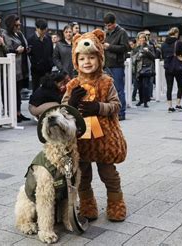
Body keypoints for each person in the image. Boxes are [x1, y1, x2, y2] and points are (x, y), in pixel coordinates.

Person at [62, 29, 127, 222]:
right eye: (82, 59)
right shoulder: (72, 85)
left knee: (109, 174)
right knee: (82, 176)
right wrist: (71, 103)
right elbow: (63, 110)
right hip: (80, 140)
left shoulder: (107, 82)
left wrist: (98, 107)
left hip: (104, 139)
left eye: (92, 57)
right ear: (76, 62)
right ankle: (87, 206)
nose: (87, 62)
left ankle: (116, 205)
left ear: (100, 58)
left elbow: (116, 105)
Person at [4, 14, 30, 123]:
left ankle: (18, 113)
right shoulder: (5, 34)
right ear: (11, 24)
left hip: (22, 65)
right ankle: (12, 114)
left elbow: (25, 45)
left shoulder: (19, 33)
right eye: (16, 24)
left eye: (19, 24)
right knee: (12, 92)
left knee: (18, 92)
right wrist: (16, 51)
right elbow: (6, 50)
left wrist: (27, 49)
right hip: (13, 67)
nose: (19, 26)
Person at [103, 12, 129, 121]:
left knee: (119, 90)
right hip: (106, 65)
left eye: (109, 25)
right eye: (106, 25)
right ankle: (112, 112)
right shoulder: (105, 33)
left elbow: (125, 48)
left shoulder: (122, 32)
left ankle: (121, 113)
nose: (108, 27)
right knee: (107, 90)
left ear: (114, 23)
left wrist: (109, 47)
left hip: (117, 65)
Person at [161, 27, 182, 112]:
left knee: (169, 87)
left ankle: (170, 106)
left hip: (168, 67)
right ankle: (178, 104)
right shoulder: (178, 42)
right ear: (176, 33)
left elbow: (162, 55)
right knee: (180, 86)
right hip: (177, 67)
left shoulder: (163, 44)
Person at [27, 19, 53, 91]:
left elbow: (51, 52)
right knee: (36, 88)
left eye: (45, 29)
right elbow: (29, 54)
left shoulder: (48, 38)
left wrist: (50, 62)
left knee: (48, 88)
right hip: (36, 69)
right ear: (36, 28)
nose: (44, 31)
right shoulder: (30, 39)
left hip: (47, 68)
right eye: (42, 30)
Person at [132, 33, 155, 108]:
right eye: (140, 38)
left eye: (143, 38)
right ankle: (141, 100)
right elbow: (133, 59)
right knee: (139, 86)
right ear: (138, 39)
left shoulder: (150, 47)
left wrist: (147, 51)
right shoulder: (136, 48)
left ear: (145, 39)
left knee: (145, 85)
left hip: (147, 68)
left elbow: (153, 57)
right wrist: (139, 54)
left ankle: (145, 101)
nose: (142, 39)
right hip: (138, 69)